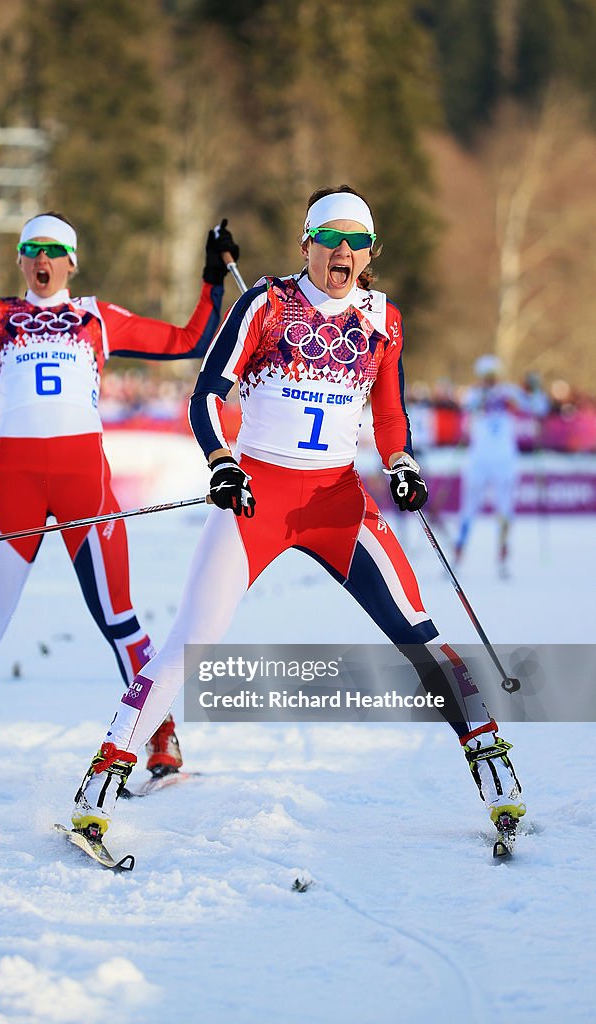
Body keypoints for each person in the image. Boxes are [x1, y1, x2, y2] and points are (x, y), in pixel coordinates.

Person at [70, 186, 526, 845]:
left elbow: (390, 411)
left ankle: (491, 764)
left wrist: (401, 460)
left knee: (418, 633)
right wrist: (222, 462)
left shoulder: (383, 317)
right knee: (190, 643)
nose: (341, 252)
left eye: (355, 242)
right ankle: (102, 781)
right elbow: (206, 396)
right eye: (328, 239)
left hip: (337, 501)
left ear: (370, 252)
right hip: (259, 497)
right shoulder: (266, 303)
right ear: (305, 243)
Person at [0, 206, 240, 783]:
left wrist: (211, 276)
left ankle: (159, 733)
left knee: (120, 621)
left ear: (72, 262)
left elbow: (191, 340)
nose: (43, 262)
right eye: (32, 252)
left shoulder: (98, 317)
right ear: (20, 260)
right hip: (14, 486)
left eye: (53, 253)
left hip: (84, 488)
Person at [454, 354, 549, 578]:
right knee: (468, 508)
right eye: (486, 376)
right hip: (478, 460)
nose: (490, 380)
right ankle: (458, 556)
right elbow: (467, 407)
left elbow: (539, 408)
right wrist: (484, 397)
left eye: (493, 376)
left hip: (504, 461)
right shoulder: (475, 393)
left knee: (504, 509)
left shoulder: (508, 393)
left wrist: (535, 390)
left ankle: (503, 559)